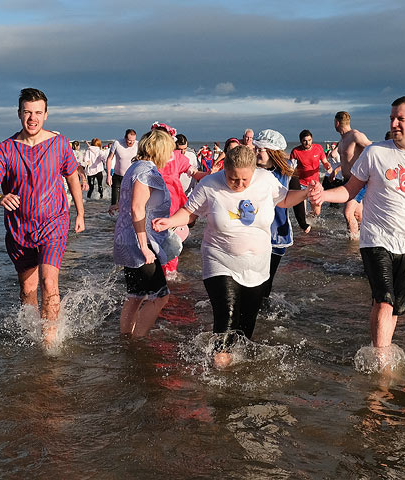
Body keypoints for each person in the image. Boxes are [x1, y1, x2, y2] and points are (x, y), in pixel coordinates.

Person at [153, 145, 318, 368]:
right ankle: (218, 373)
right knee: (226, 317)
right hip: (219, 259)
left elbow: (285, 199)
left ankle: (236, 375)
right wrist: (170, 221)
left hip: (257, 265)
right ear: (225, 170)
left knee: (246, 326)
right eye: (232, 179)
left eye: (244, 180)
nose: (238, 185)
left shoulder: (266, 180)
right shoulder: (210, 184)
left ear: (254, 171)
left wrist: (308, 192)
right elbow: (190, 211)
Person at [311, 96, 405, 365]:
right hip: (376, 239)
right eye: (392, 117)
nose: (394, 123)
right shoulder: (375, 152)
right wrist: (323, 195)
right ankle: (381, 365)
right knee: (384, 301)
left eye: (400, 118)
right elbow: (350, 190)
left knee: (397, 308)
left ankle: (383, 351)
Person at [0, 88, 85, 347]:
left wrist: (80, 213)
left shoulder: (59, 144)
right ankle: (31, 331)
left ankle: (50, 343)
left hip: (54, 223)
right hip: (19, 230)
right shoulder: (5, 149)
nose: (32, 118)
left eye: (38, 112)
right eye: (27, 112)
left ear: (46, 115)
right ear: (19, 113)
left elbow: (72, 175)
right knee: (28, 290)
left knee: (49, 282)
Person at [113, 129, 182, 337]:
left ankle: (126, 339)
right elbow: (136, 208)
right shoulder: (146, 172)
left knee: (135, 295)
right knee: (161, 296)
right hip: (139, 241)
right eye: (169, 151)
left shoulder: (135, 166)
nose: (171, 156)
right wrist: (144, 247)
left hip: (127, 238)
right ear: (159, 150)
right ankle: (137, 340)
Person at [253, 130, 297, 300]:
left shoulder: (287, 171)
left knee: (268, 277)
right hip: (255, 232)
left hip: (277, 231)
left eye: (260, 149)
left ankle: (262, 307)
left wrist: (303, 223)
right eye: (255, 148)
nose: (256, 152)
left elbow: (296, 197)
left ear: (272, 151)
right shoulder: (250, 171)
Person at [333, 111, 372, 238]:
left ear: (337, 123)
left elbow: (372, 149)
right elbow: (347, 161)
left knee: (348, 213)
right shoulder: (343, 139)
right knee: (358, 214)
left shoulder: (355, 135)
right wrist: (336, 170)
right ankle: (365, 237)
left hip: (358, 181)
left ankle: (352, 245)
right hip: (347, 181)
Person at [289, 129, 333, 228]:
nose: (307, 142)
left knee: (317, 212)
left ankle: (310, 222)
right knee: (302, 213)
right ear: (301, 141)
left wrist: (328, 166)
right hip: (301, 185)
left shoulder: (318, 148)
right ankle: (305, 229)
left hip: (314, 185)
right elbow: (290, 168)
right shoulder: (296, 151)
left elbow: (324, 161)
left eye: (309, 140)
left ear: (312, 139)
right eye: (305, 140)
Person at [106, 129, 138, 208]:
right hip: (118, 176)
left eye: (133, 140)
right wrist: (109, 175)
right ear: (125, 138)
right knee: (114, 202)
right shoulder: (117, 143)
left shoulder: (138, 144)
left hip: (131, 178)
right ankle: (112, 219)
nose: (131, 143)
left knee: (129, 202)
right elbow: (109, 159)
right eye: (129, 140)